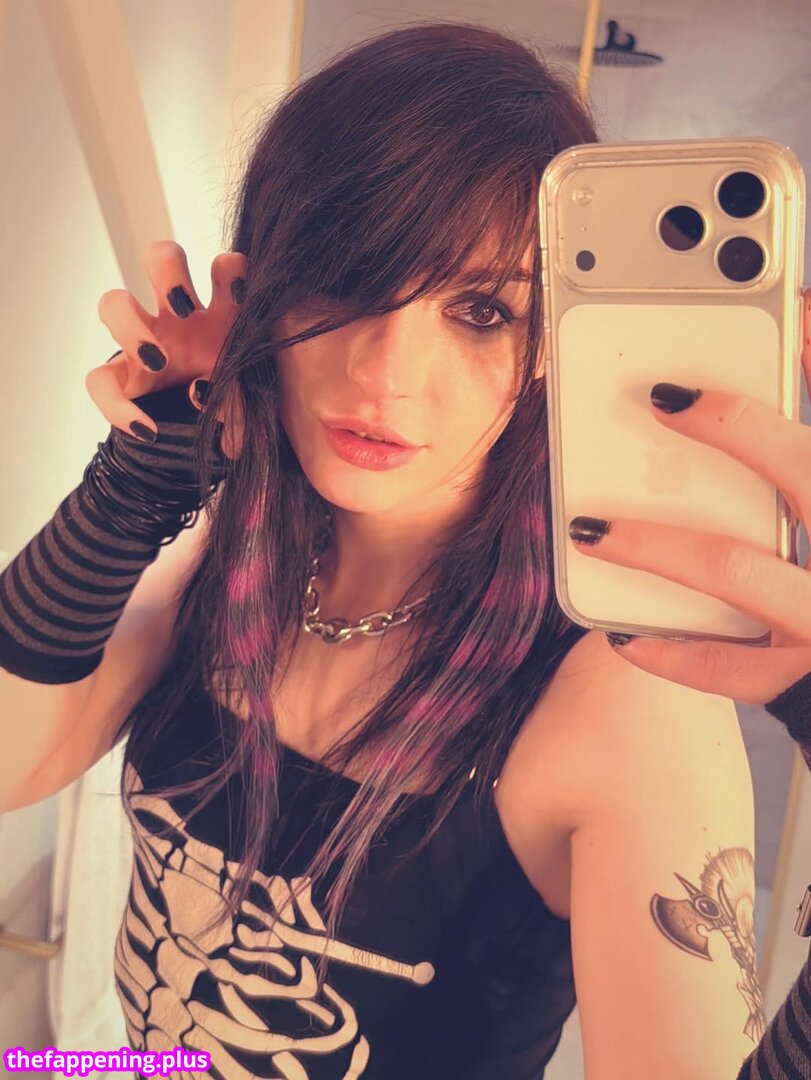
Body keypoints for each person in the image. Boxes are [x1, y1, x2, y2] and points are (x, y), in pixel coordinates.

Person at [1, 19, 809, 1080]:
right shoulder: (223, 560)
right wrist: (135, 485)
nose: (386, 371)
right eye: (345, 279)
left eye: (480, 310)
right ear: (261, 296)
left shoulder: (624, 698)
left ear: (548, 350)